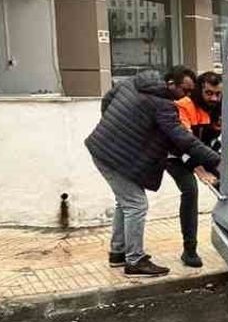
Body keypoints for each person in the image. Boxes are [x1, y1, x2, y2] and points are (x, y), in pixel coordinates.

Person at [85, 66, 220, 277]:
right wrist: (217, 161)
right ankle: (135, 261)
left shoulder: (133, 82)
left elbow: (108, 100)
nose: (186, 95)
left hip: (106, 148)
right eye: (184, 90)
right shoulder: (164, 105)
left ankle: (118, 253)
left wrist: (116, 129)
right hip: (112, 155)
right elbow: (182, 138)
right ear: (171, 84)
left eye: (190, 91)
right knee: (136, 205)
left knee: (125, 202)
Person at [167, 70, 223, 268]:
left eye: (218, 94)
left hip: (202, 153)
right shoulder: (183, 106)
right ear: (199, 90)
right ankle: (189, 250)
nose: (214, 98)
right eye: (209, 93)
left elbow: (215, 140)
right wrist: (200, 171)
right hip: (175, 155)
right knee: (190, 190)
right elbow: (183, 144)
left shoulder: (219, 107)